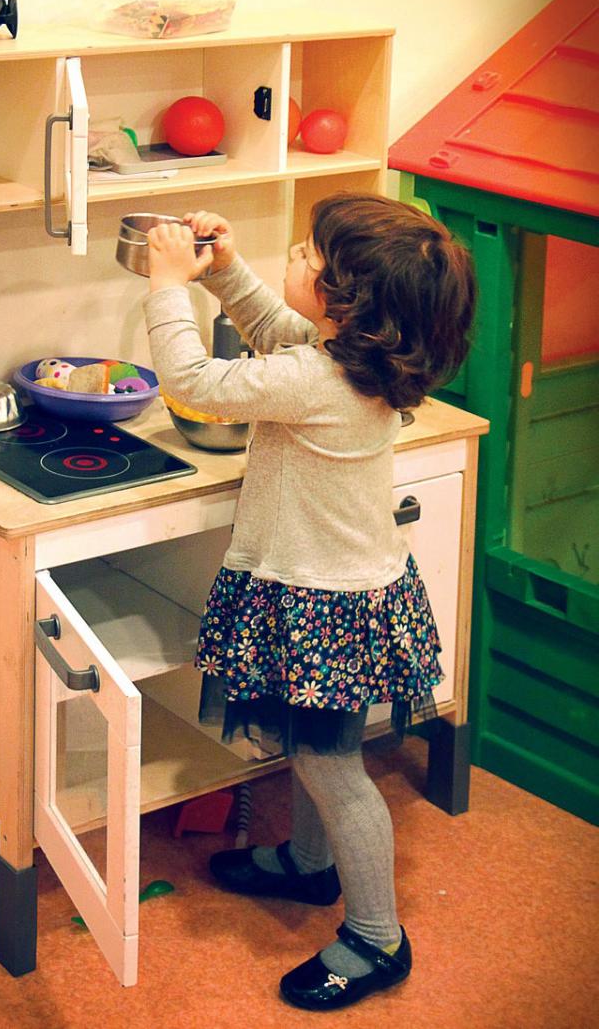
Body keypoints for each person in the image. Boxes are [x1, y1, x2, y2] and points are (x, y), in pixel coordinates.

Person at [143, 192, 476, 1012]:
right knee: (314, 750)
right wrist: (225, 274)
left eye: (310, 257)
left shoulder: (317, 378)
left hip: (323, 604)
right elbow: (278, 332)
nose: (295, 253)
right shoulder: (355, 363)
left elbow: (193, 379)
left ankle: (376, 936)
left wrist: (165, 285)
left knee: (332, 765)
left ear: (350, 303)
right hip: (342, 599)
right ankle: (308, 863)